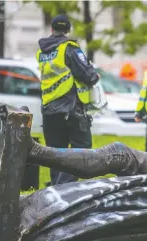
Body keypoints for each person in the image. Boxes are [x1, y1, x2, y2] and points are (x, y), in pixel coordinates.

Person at [36, 14, 100, 186]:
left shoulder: (42, 52)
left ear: (52, 29)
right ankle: (65, 185)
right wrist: (95, 76)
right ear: (68, 30)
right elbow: (87, 75)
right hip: (70, 107)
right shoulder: (69, 48)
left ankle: (56, 187)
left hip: (49, 107)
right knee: (82, 147)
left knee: (56, 151)